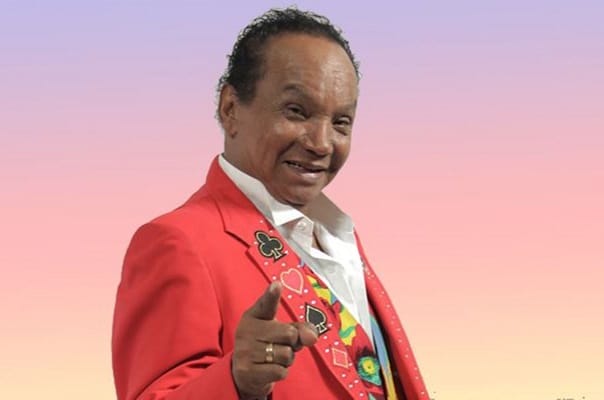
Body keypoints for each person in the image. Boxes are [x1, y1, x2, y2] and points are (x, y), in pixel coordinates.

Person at [112, 7, 428, 400]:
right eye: (297, 111)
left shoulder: (340, 237)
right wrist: (236, 382)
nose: (321, 143)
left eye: (341, 122)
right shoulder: (176, 242)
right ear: (230, 109)